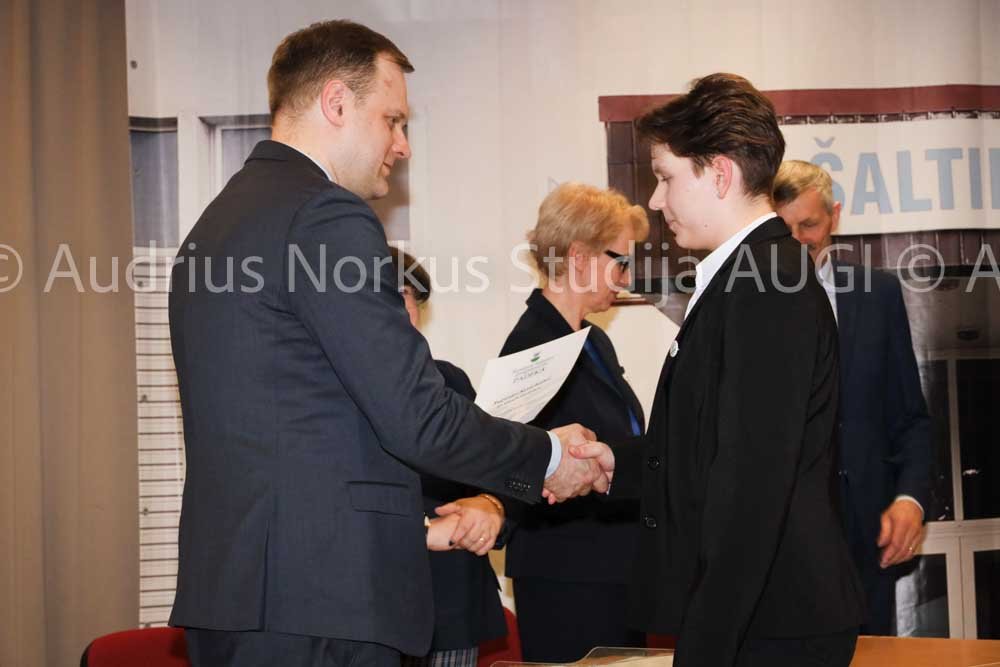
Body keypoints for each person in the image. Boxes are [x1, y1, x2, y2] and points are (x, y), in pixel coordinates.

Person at [167, 20, 606, 667]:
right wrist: (547, 456)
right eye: (393, 120)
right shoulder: (325, 215)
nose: (402, 145)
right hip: (321, 603)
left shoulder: (217, 223)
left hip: (241, 596)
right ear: (336, 103)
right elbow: (416, 416)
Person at [572, 73, 866, 667]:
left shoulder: (767, 284)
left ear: (721, 174)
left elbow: (751, 487)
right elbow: (711, 444)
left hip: (773, 617)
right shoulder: (749, 276)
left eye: (665, 177)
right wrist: (618, 463)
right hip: (763, 612)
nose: (656, 201)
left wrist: (705, 646)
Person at [773, 160, 932, 636]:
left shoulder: (878, 294)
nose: (797, 240)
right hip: (778, 544)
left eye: (809, 225)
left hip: (866, 541)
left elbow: (910, 418)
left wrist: (910, 499)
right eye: (783, 229)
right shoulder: (742, 300)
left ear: (835, 217)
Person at [499, 183, 649, 663]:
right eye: (620, 262)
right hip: (567, 573)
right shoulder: (533, 346)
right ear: (580, 257)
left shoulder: (593, 341)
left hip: (615, 567)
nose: (626, 278)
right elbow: (512, 461)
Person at [390, 248, 510, 667]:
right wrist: (425, 530)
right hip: (376, 605)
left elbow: (496, 470)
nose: (400, 308)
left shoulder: (450, 380)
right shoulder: (330, 389)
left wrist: (490, 506)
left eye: (406, 295)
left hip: (455, 601)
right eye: (384, 295)